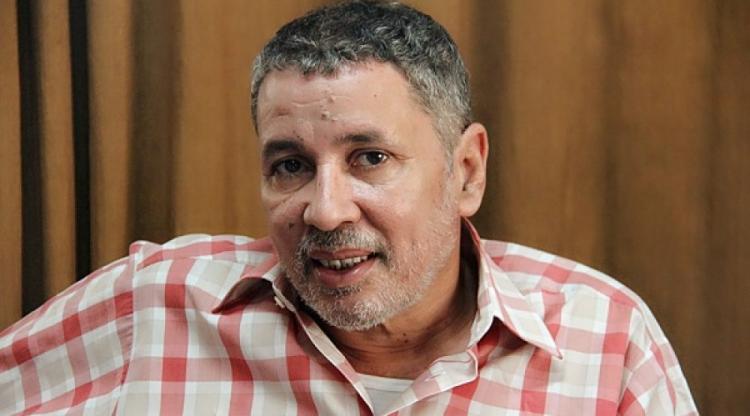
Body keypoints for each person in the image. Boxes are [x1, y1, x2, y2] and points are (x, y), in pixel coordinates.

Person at [0, 1, 697, 414]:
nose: (326, 212)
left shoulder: (607, 342)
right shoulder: (152, 307)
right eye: (291, 166)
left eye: (370, 158)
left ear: (466, 172)